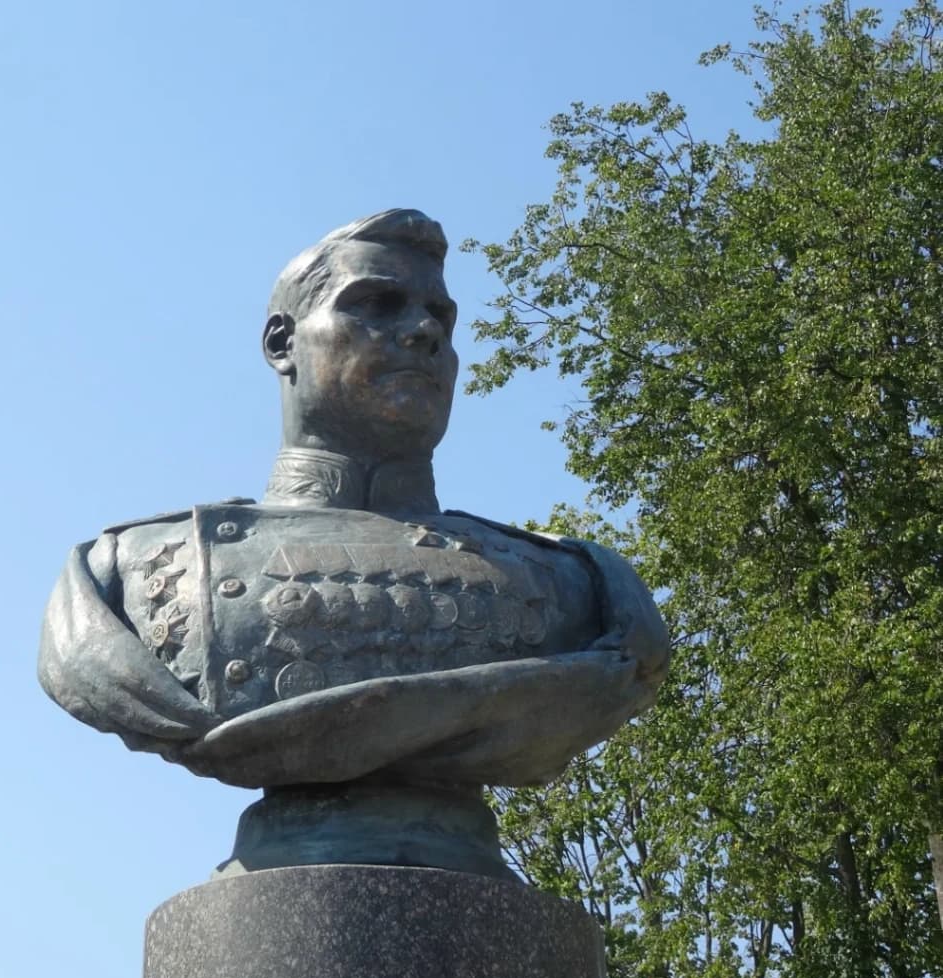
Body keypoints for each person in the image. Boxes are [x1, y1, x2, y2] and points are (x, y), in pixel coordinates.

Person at [38, 209, 668, 803]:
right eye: (376, 305)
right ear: (283, 344)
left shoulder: (583, 588)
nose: (423, 331)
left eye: (440, 319)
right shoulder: (128, 573)